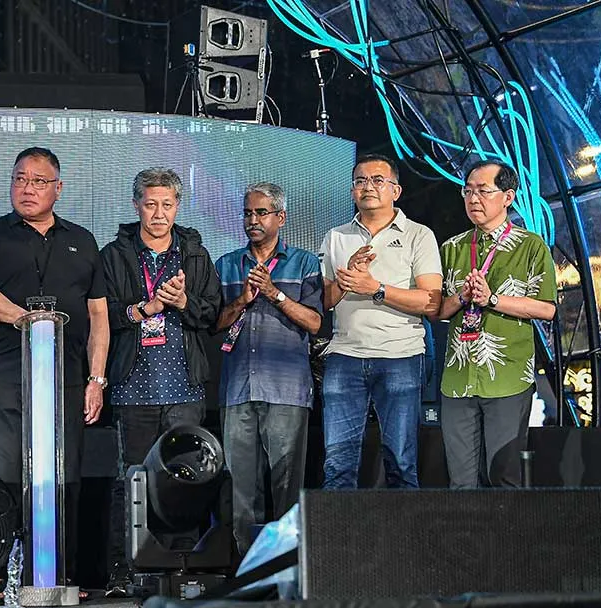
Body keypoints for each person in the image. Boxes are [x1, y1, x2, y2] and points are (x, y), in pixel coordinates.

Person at [0, 147, 109, 585]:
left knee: (62, 479)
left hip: (65, 380)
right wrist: (27, 321)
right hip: (8, 377)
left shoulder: (82, 240)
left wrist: (96, 379)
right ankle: (1, 578)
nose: (28, 189)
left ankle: (59, 575)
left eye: (39, 181)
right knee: (3, 476)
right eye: (20, 179)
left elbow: (99, 314)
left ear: (58, 188)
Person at [100, 167, 220, 586]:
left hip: (184, 386)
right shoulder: (114, 255)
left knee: (186, 477)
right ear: (136, 206)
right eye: (150, 204)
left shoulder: (194, 254)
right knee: (131, 477)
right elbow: (103, 316)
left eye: (166, 205)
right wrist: (143, 310)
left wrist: (183, 300)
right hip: (134, 386)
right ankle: (126, 570)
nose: (158, 213)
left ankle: (182, 566)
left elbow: (211, 314)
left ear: (177, 207)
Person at [319, 153, 441, 489]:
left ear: (396, 191)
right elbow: (323, 303)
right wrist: (345, 282)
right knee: (337, 463)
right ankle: (337, 541)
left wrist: (376, 289)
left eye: (377, 180)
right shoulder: (336, 237)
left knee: (401, 461)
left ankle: (403, 541)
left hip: (401, 355)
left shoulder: (419, 235)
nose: (367, 187)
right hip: (344, 355)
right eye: (360, 181)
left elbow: (431, 302)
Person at [214, 183, 322, 553]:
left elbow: (315, 322)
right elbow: (214, 323)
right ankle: (249, 571)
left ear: (281, 217)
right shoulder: (227, 264)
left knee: (287, 487)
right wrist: (242, 301)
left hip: (286, 389)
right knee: (241, 490)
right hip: (237, 389)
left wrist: (275, 294)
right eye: (247, 213)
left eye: (261, 213)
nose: (253, 221)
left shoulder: (305, 263)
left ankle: (291, 570)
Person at [435, 160, 556, 487]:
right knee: (460, 480)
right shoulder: (452, 247)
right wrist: (462, 297)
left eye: (483, 191)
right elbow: (438, 311)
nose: (473, 199)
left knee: (503, 475)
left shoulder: (531, 246)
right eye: (468, 191)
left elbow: (546, 309)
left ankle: (506, 539)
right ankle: (465, 539)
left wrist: (492, 299)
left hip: (507, 376)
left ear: (507, 197)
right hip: (458, 377)